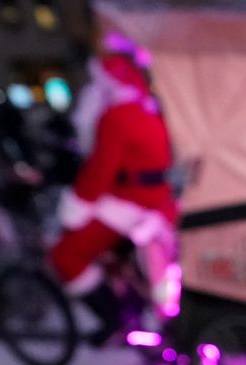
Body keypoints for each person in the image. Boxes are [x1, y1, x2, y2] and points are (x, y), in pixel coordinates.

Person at [51, 51, 179, 344]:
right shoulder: (147, 109)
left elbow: (99, 171)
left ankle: (113, 319)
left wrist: (75, 208)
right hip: (158, 200)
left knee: (65, 255)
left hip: (131, 203)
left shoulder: (116, 116)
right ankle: (131, 300)